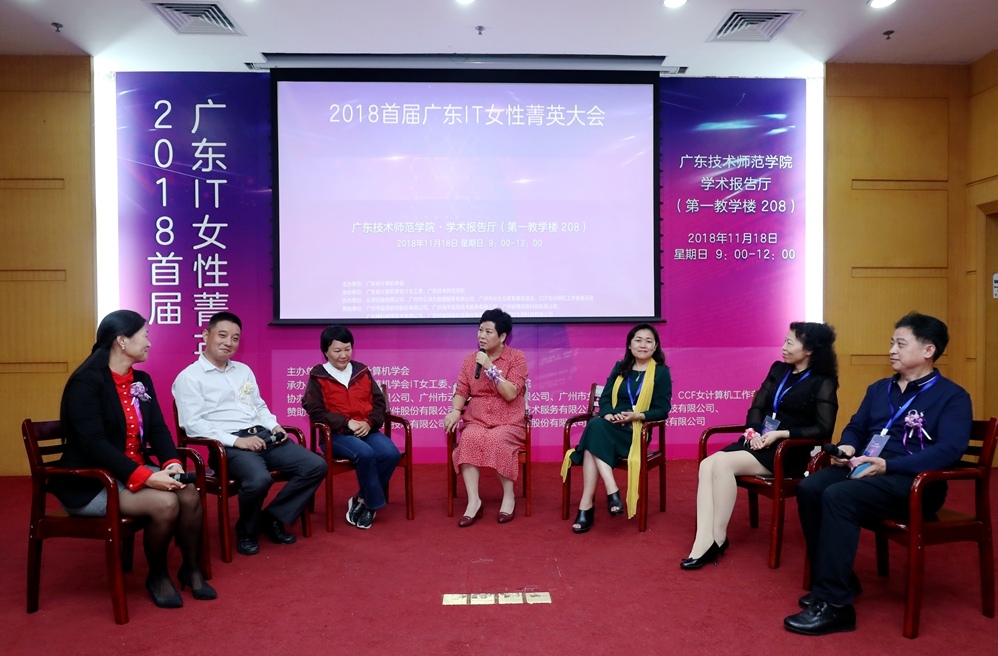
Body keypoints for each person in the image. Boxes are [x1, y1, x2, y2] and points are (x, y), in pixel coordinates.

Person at [783, 312, 973, 636]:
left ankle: (835, 605)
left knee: (839, 496)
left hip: (916, 482)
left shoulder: (952, 397)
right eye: (891, 343)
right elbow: (857, 427)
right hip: (870, 470)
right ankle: (841, 580)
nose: (892, 350)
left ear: (928, 350)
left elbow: (949, 451)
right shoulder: (879, 388)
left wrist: (890, 465)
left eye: (901, 343)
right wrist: (847, 448)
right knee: (810, 488)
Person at [55, 310, 214, 608]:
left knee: (189, 493)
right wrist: (148, 477)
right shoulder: (86, 383)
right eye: (145, 335)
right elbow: (94, 446)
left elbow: (158, 429)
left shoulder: (141, 380)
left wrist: (171, 463)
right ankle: (157, 576)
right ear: (121, 340)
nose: (149, 343)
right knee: (165, 503)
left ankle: (190, 569)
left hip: (132, 471)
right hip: (92, 481)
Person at [682, 322, 839, 569]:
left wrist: (782, 434)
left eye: (790, 342)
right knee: (707, 464)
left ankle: (718, 538)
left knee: (721, 464)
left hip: (787, 451)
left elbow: (824, 428)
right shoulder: (779, 369)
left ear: (809, 350)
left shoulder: (823, 381)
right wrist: (753, 431)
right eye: (785, 341)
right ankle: (703, 539)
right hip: (758, 442)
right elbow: (757, 406)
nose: (783, 347)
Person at [173, 312, 327, 556]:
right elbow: (193, 425)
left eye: (235, 338)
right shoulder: (189, 377)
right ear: (206, 335)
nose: (229, 343)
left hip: (264, 437)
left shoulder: (243, 370)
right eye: (222, 335)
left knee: (316, 465)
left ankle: (272, 517)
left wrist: (274, 426)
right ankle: (246, 530)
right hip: (227, 446)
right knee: (258, 480)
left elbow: (259, 406)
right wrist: (238, 441)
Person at [561, 323, 672, 534]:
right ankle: (610, 489)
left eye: (648, 341)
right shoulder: (620, 368)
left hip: (636, 432)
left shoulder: (661, 373)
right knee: (596, 425)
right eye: (638, 340)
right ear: (630, 345)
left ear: (655, 346)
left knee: (592, 438)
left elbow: (662, 410)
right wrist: (608, 414)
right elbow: (605, 398)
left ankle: (588, 505)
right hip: (610, 426)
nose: (643, 345)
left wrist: (637, 415)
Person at [302, 325, 399, 530]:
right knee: (365, 454)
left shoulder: (362, 371)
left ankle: (362, 499)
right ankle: (372, 504)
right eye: (337, 351)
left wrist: (368, 422)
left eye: (347, 349)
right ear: (325, 351)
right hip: (336, 435)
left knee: (391, 453)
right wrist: (347, 422)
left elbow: (379, 403)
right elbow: (315, 411)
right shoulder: (318, 377)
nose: (343, 355)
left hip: (366, 430)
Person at [444, 308, 529, 526]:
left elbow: (510, 393)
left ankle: (508, 497)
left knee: (497, 440)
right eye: (480, 330)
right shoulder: (470, 360)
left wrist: (490, 367)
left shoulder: (516, 358)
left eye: (488, 331)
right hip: (477, 419)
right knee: (469, 439)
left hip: (509, 420)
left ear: (502, 336)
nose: (481, 335)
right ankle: (474, 501)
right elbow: (462, 390)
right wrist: (455, 410)